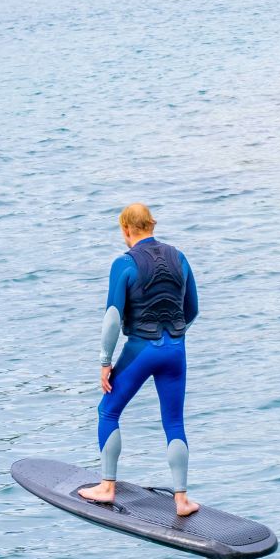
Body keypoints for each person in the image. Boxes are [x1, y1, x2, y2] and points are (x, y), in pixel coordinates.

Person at [79, 203, 200, 516]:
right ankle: (182, 500)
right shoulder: (180, 257)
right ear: (152, 224)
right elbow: (192, 310)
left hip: (141, 349)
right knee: (174, 421)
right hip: (176, 350)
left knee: (108, 410)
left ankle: (107, 487)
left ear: (126, 229)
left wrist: (105, 362)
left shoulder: (124, 263)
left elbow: (112, 318)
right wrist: (173, 336)